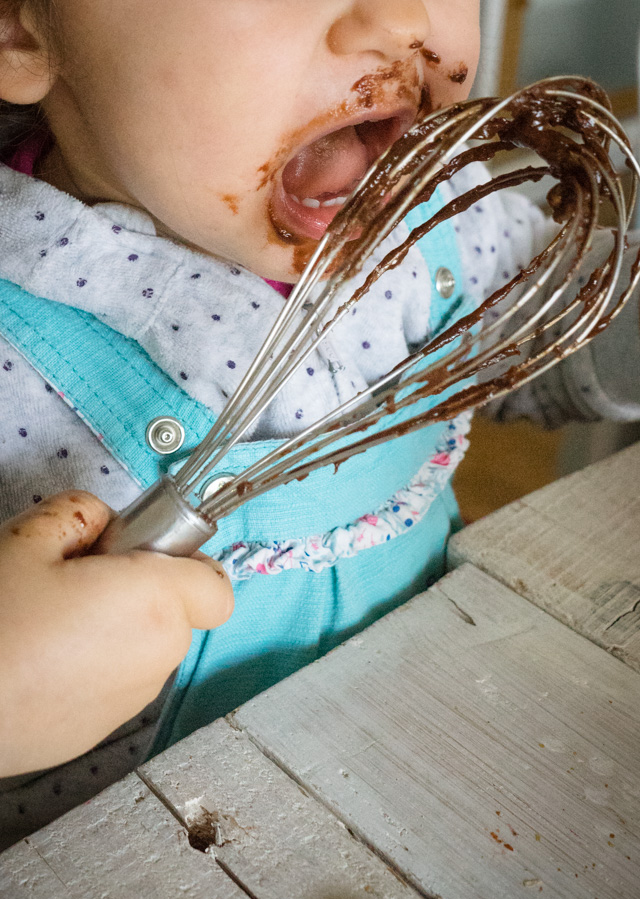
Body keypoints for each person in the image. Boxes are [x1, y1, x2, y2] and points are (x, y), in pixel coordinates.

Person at [0, 0, 638, 849]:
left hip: (470, 797)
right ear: (19, 30)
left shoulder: (435, 221)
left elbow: (553, 328)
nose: (400, 19)